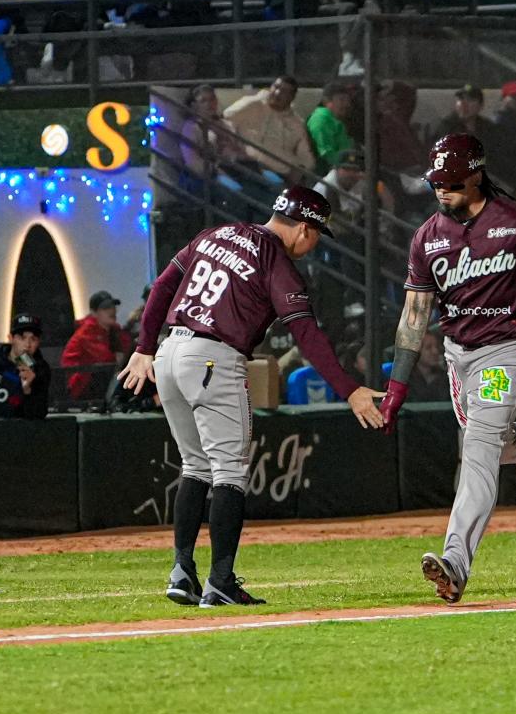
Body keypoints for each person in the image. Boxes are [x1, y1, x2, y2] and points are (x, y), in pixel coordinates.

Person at [119, 187, 385, 608]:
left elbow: (162, 287)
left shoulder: (214, 234)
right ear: (303, 228)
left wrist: (143, 347)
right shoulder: (274, 258)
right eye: (316, 234)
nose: (313, 244)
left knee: (195, 466)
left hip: (170, 353)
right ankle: (220, 580)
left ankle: (181, 570)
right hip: (213, 358)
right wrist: (350, 390)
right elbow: (306, 334)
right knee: (230, 473)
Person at [380, 134, 516, 604]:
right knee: (494, 443)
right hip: (459, 354)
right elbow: (415, 315)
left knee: (478, 447)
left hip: (506, 350)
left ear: (476, 175)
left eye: (452, 183)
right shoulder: (427, 237)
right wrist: (398, 382)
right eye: (437, 183)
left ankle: (455, 561)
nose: (443, 192)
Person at [222, 76, 316, 182]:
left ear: (291, 97)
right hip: (250, 165)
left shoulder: (297, 123)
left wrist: (301, 169)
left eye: (284, 91)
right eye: (275, 87)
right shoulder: (252, 104)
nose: (277, 93)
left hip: (283, 172)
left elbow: (306, 157)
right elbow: (225, 120)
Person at [61, 291, 131, 406]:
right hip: (81, 387)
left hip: (99, 382)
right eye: (105, 308)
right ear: (94, 313)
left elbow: (128, 350)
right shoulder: (86, 332)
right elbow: (107, 359)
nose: (112, 310)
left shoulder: (113, 330)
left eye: (113, 306)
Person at [307, 80, 359, 174]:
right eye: (342, 100)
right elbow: (327, 155)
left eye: (348, 100)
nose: (347, 104)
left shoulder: (339, 121)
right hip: (330, 173)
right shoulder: (320, 120)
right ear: (326, 101)